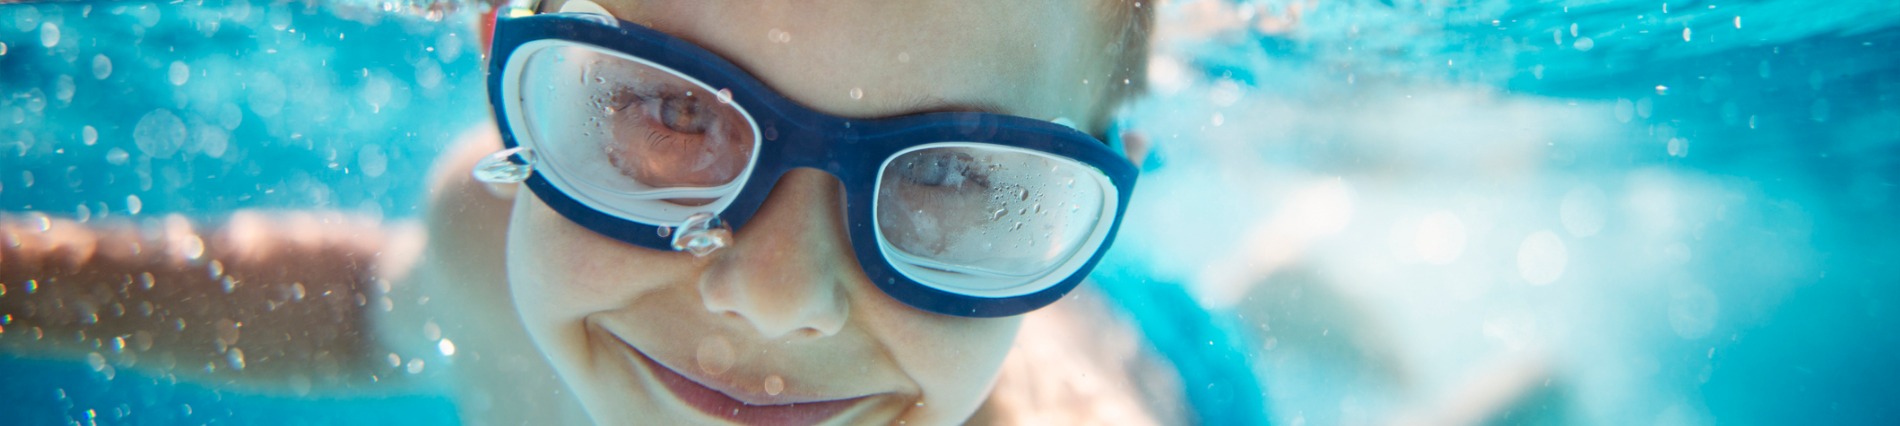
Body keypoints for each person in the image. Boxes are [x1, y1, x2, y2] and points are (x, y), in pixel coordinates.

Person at [1, 0, 1206, 424]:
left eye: (958, 176)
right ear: (514, 79)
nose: (774, 299)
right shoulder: (489, 253)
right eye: (670, 116)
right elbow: (370, 308)